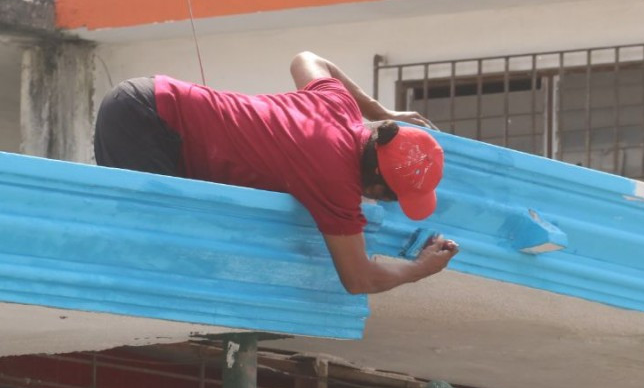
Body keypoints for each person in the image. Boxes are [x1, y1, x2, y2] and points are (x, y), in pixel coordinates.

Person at [93, 51, 459, 294]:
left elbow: (308, 57)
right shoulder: (336, 182)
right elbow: (357, 277)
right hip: (148, 122)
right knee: (155, 261)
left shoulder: (338, 105)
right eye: (391, 198)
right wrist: (421, 270)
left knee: (169, 246)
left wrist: (381, 111)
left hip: (149, 97)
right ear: (376, 186)